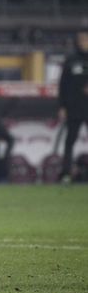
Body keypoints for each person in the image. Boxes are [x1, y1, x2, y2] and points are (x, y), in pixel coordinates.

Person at [58, 31, 88, 183]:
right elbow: (63, 85)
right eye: (81, 39)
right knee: (70, 141)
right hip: (74, 107)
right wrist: (62, 106)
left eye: (85, 39)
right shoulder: (71, 59)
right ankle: (66, 173)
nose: (83, 41)